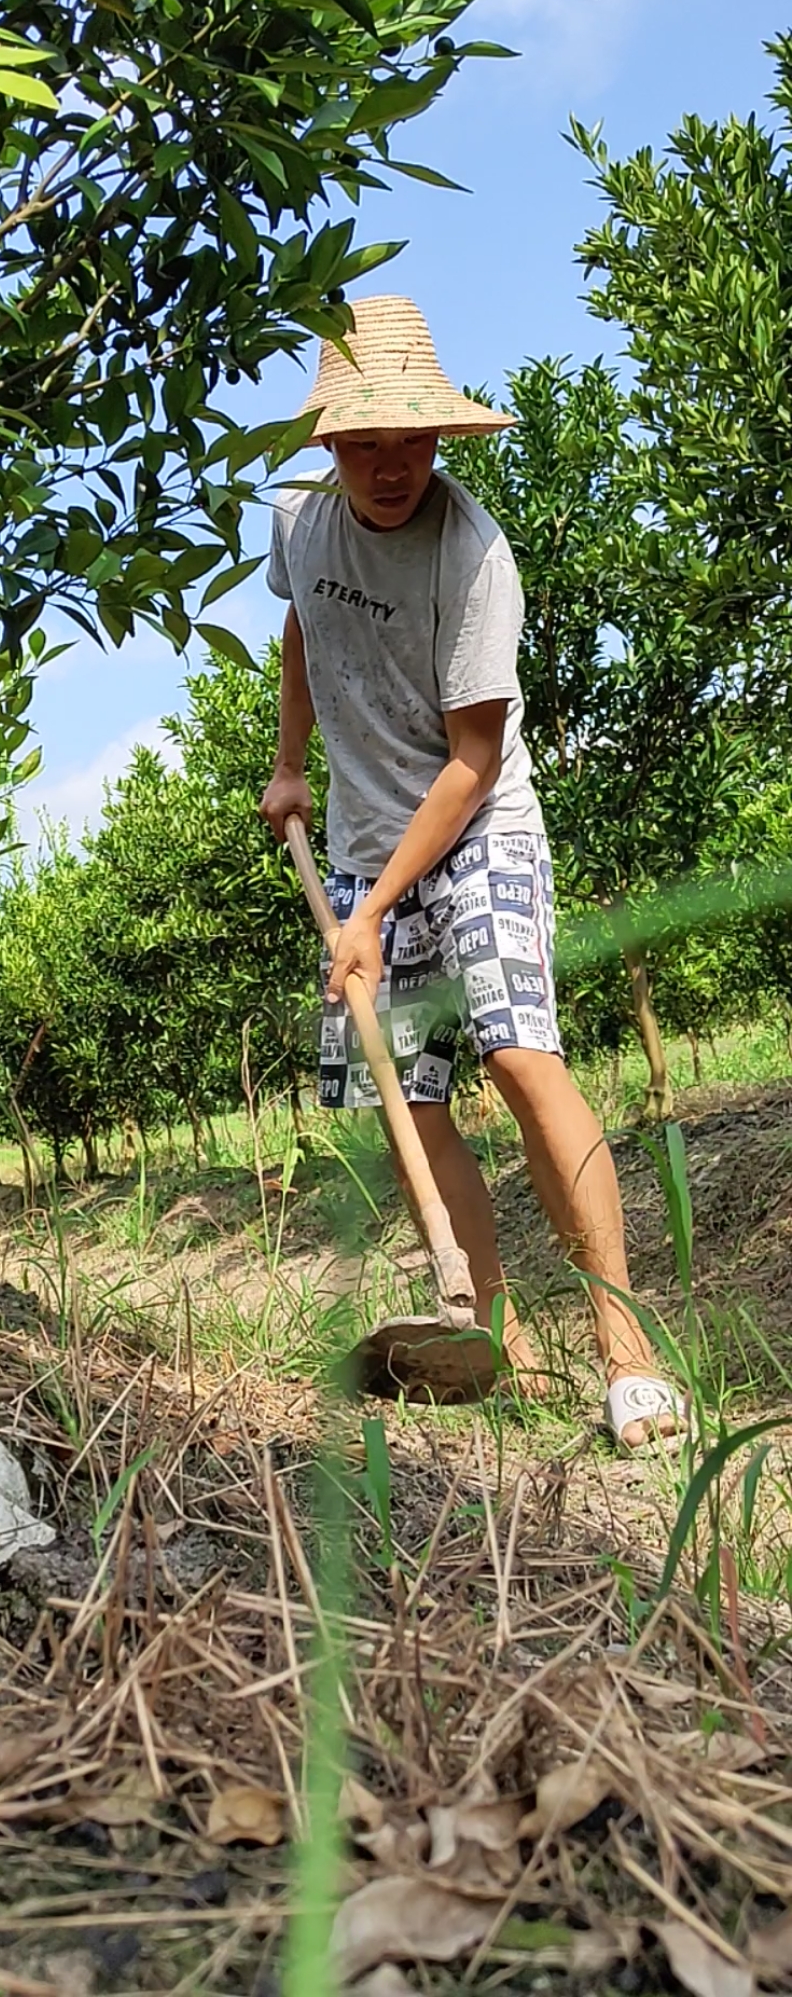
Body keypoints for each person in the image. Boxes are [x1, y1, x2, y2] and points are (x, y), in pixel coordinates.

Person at [258, 295, 681, 1449]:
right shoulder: (299, 526)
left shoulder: (474, 555)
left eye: (410, 439)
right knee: (411, 1100)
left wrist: (378, 909)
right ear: (330, 444)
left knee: (516, 1050)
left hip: (478, 825)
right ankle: (495, 1331)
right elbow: (302, 629)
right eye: (365, 440)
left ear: (439, 439)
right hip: (352, 843)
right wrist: (292, 764)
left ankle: (626, 1347)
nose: (390, 465)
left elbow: (474, 759)